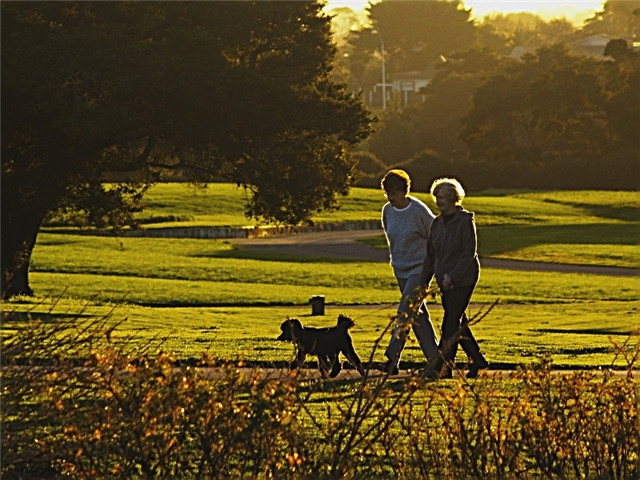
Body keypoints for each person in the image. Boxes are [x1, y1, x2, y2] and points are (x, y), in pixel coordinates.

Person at [420, 177, 489, 379]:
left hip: (464, 278)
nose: (438, 201)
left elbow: (468, 253)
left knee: (450, 323)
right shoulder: (436, 223)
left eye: (441, 197)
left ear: (452, 199)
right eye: (436, 197)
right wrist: (425, 281)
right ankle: (477, 360)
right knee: (457, 322)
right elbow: (431, 256)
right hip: (445, 280)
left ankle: (442, 367)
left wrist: (453, 276)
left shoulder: (465, 221)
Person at [380, 169, 439, 375]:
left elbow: (435, 236)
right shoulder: (387, 211)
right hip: (400, 268)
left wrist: (432, 266)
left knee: (405, 310)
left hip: (420, 268)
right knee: (418, 316)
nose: (391, 197)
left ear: (405, 191)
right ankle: (436, 362)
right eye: (388, 193)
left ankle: (391, 357)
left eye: (395, 192)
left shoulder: (419, 211)